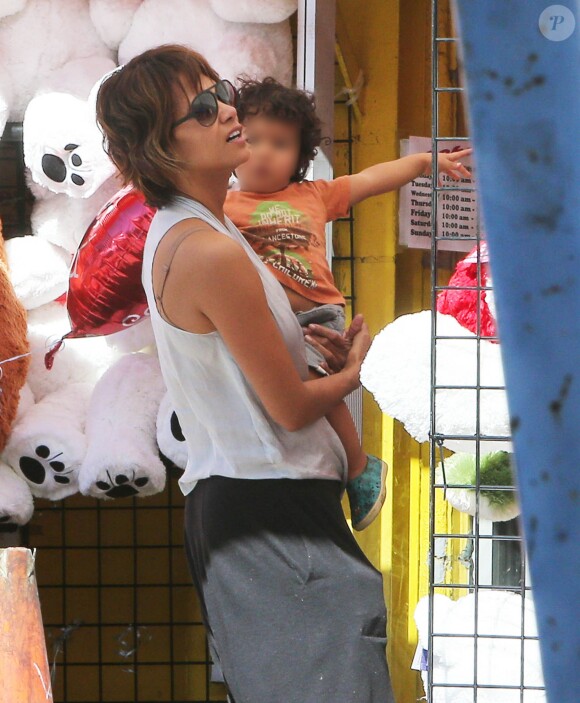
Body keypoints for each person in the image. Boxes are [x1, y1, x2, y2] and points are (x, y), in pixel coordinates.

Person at [96, 45, 395, 702]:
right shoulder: (206, 247)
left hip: (260, 506)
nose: (226, 109)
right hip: (269, 510)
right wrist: (351, 375)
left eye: (220, 90)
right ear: (159, 147)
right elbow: (289, 408)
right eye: (201, 108)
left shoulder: (200, 230)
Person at [224, 77, 472, 530]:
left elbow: (371, 180)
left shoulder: (312, 195)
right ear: (234, 143)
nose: (262, 152)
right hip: (264, 321)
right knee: (276, 391)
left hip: (317, 314)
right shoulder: (220, 208)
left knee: (312, 385)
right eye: (252, 139)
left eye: (278, 144)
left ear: (300, 159)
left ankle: (359, 468)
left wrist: (422, 162)